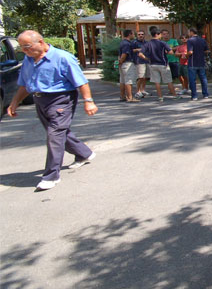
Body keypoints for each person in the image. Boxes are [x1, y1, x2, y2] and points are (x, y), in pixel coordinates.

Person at [6, 30, 98, 191]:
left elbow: (81, 82)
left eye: (27, 46)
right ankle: (84, 153)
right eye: (22, 47)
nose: (25, 50)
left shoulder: (62, 58)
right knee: (59, 132)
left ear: (40, 42)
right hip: (40, 99)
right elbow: (25, 84)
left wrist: (88, 101)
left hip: (61, 99)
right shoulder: (28, 60)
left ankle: (51, 176)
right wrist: (15, 102)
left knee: (54, 135)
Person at [139, 28, 181, 102]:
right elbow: (171, 52)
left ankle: (160, 97)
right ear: (157, 34)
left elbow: (140, 54)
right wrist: (166, 52)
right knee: (168, 80)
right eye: (160, 34)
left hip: (153, 64)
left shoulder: (148, 43)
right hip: (163, 64)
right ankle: (174, 95)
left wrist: (147, 59)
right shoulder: (162, 43)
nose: (161, 36)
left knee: (157, 82)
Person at [186, 28, 209, 100]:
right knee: (203, 78)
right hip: (201, 62)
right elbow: (207, 50)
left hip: (193, 62)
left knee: (192, 80)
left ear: (191, 32)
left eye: (189, 32)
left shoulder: (190, 40)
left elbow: (190, 52)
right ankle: (205, 94)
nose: (188, 33)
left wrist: (186, 55)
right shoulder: (202, 40)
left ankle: (194, 95)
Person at [118, 29, 139, 103]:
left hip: (123, 64)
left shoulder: (122, 42)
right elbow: (124, 54)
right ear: (129, 34)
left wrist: (120, 62)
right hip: (127, 63)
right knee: (128, 81)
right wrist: (121, 61)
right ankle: (130, 97)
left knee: (122, 81)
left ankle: (122, 96)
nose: (134, 35)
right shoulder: (127, 43)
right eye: (133, 34)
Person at [133, 30, 149, 99]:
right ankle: (138, 91)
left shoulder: (146, 42)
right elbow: (132, 50)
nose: (141, 35)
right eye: (139, 34)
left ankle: (143, 90)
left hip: (146, 61)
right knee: (140, 77)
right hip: (139, 61)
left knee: (145, 77)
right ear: (137, 35)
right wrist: (139, 49)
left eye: (142, 34)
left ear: (144, 35)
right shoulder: (134, 42)